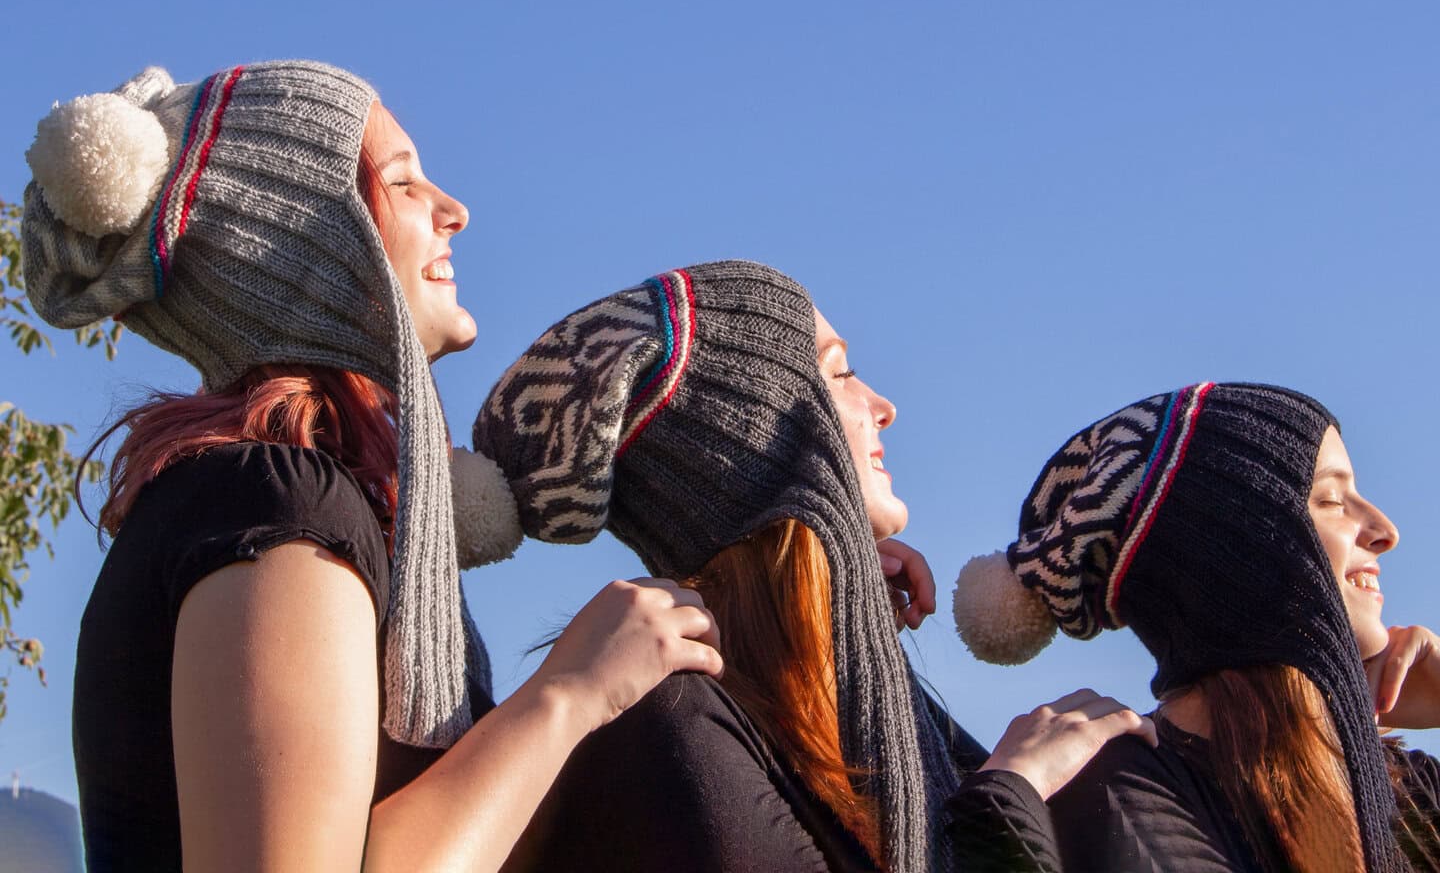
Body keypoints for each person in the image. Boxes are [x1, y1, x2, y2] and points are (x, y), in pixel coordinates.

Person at [21, 62, 722, 873]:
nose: (454, 210)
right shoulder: (276, 510)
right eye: (403, 183)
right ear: (315, 245)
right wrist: (568, 695)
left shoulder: (298, 508)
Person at [463, 260, 1153, 872]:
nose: (883, 406)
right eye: (839, 373)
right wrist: (1011, 796)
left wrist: (839, 615)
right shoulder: (669, 718)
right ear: (760, 441)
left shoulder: (806, 702)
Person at [952, 382, 1440, 872]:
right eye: (1331, 500)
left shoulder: (1409, 791)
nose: (1385, 530)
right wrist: (999, 807)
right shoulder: (1117, 797)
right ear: (1239, 550)